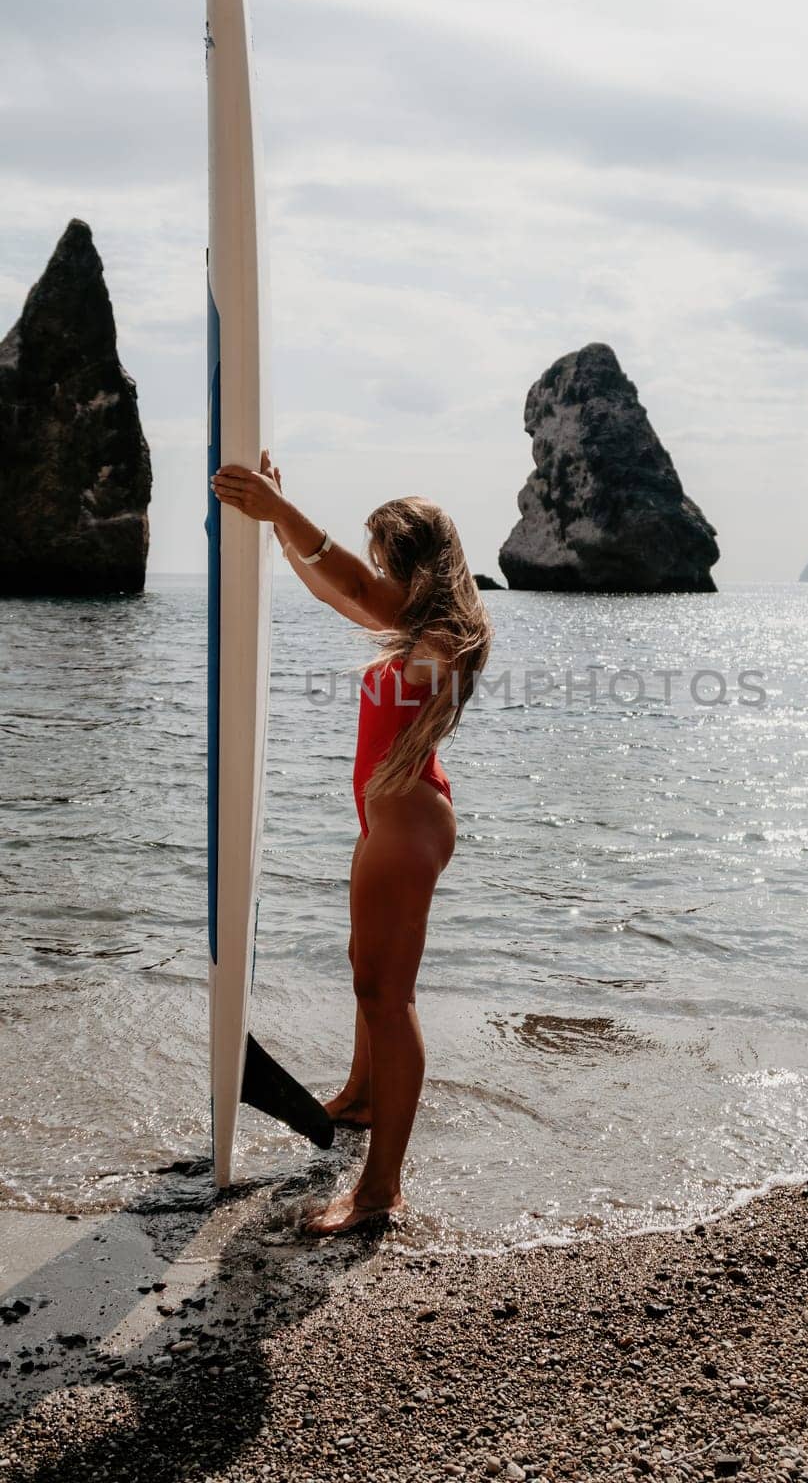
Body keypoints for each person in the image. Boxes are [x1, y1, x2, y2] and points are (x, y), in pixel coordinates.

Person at [209, 449, 492, 1233]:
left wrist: (285, 516)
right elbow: (345, 594)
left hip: (407, 824)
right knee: (365, 971)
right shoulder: (412, 624)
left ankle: (379, 1191)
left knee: (387, 996)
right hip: (390, 819)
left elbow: (362, 591)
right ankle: (363, 1098)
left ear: (410, 562)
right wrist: (277, 528)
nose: (372, 573)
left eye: (381, 559)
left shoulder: (446, 631)